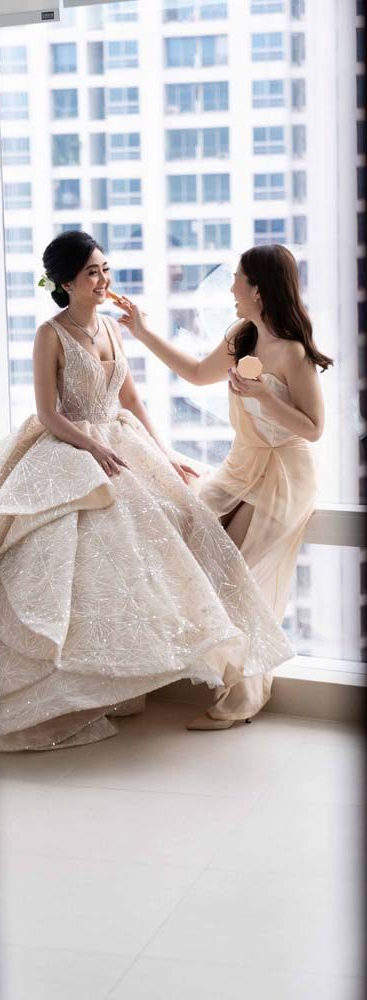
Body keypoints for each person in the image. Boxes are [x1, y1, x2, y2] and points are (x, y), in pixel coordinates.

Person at [0, 231, 294, 751]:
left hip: (121, 439)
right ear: (65, 282)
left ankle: (199, 667)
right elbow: (47, 412)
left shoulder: (113, 328)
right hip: (70, 444)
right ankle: (74, 689)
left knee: (174, 524)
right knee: (81, 553)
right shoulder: (50, 334)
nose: (103, 280)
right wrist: (91, 446)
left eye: (105, 269)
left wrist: (164, 452)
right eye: (91, 272)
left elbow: (133, 401)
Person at [116, 243, 332, 730]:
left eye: (237, 278)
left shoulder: (293, 352)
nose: (231, 286)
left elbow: (314, 429)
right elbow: (196, 374)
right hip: (240, 465)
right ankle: (212, 668)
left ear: (257, 289)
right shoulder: (241, 336)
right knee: (191, 544)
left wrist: (264, 397)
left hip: (284, 472)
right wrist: (143, 332)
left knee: (237, 573)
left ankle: (243, 695)